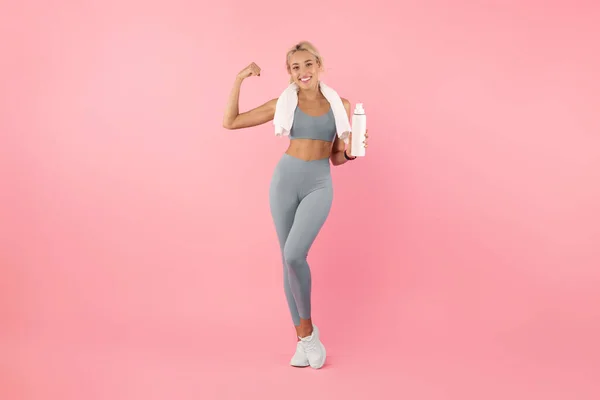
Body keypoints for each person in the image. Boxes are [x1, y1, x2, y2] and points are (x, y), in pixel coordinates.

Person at [222, 41, 369, 369]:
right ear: (290, 72)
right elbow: (230, 122)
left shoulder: (339, 105)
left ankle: (308, 335)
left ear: (319, 65)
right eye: (295, 67)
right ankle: (306, 337)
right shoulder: (282, 104)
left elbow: (335, 157)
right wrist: (239, 79)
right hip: (284, 182)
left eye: (307, 64)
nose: (302, 72)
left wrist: (350, 152)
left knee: (294, 254)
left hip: (318, 184)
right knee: (287, 261)